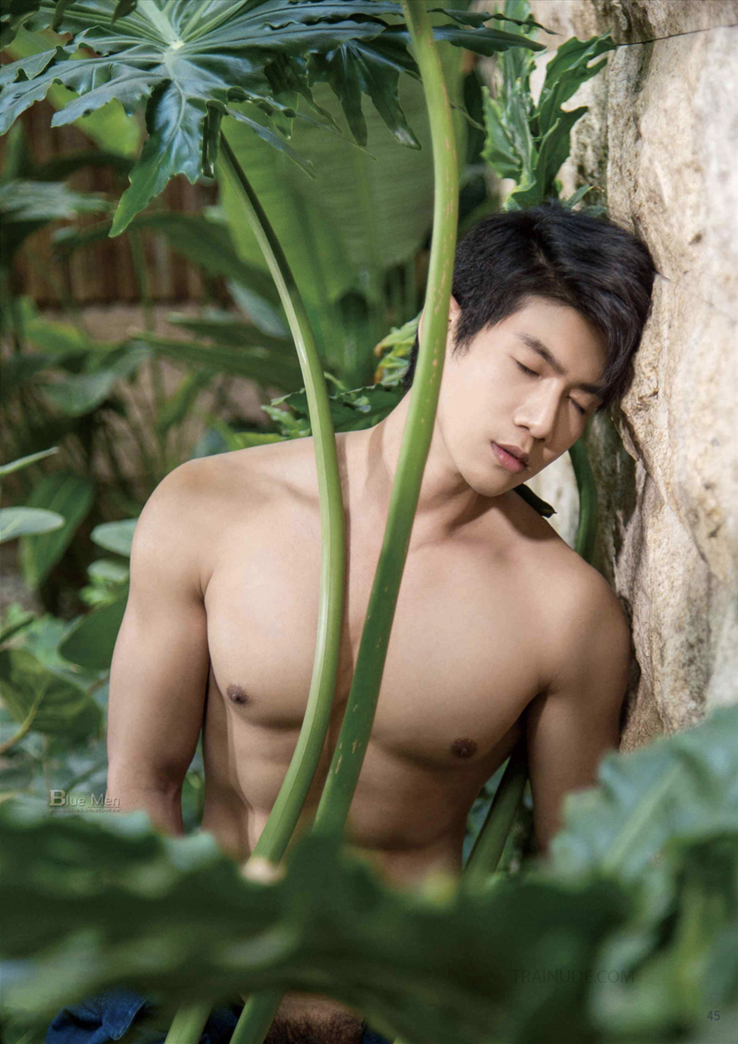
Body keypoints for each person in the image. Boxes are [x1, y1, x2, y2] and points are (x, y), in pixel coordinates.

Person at [47, 199, 656, 1044]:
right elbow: (138, 781)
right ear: (445, 326)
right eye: (528, 367)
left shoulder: (566, 614)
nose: (542, 421)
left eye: (580, 403)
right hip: (185, 995)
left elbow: (569, 883)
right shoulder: (211, 508)